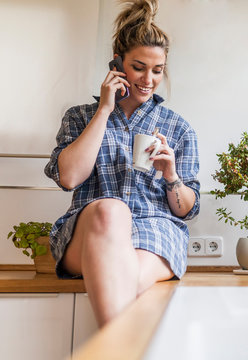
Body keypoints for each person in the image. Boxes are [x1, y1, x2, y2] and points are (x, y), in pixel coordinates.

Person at [44, 0, 200, 327]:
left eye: (158, 70)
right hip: (91, 230)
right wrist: (104, 108)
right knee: (111, 209)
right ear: (117, 63)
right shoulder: (80, 117)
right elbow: (69, 177)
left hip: (156, 233)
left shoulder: (178, 128)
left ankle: (112, 349)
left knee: (118, 275)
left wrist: (171, 175)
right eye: (139, 67)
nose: (148, 79)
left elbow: (186, 209)